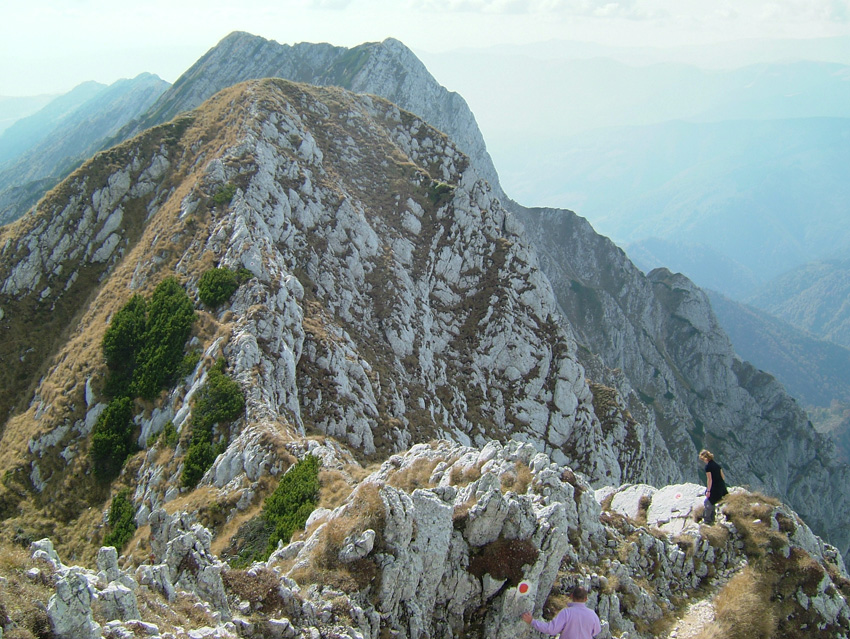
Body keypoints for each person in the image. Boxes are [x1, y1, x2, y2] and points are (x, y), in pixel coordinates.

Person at [521, 585, 601, 639]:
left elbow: (551, 629)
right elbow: (597, 631)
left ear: (571, 596)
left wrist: (532, 621)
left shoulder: (566, 612)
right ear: (586, 599)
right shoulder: (592, 615)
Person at [699, 449, 728, 525]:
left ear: (706, 458)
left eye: (703, 459)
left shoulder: (708, 467)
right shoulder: (717, 465)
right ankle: (713, 518)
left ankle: (708, 521)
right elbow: (723, 477)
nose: (703, 461)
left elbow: (709, 479)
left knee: (708, 502)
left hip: (714, 488)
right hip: (722, 487)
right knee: (713, 502)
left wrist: (708, 491)